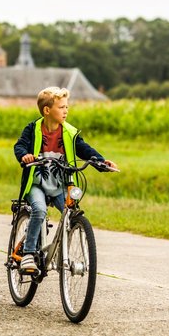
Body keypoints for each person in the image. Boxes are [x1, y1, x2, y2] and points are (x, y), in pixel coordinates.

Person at [13, 87, 118, 274]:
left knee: (71, 214)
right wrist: (25, 156)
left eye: (67, 107)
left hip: (60, 184)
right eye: (61, 107)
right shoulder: (33, 129)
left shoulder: (69, 132)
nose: (66, 111)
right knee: (39, 210)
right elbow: (19, 145)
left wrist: (101, 162)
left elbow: (85, 150)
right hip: (37, 184)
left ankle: (63, 254)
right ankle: (28, 253)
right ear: (47, 110)